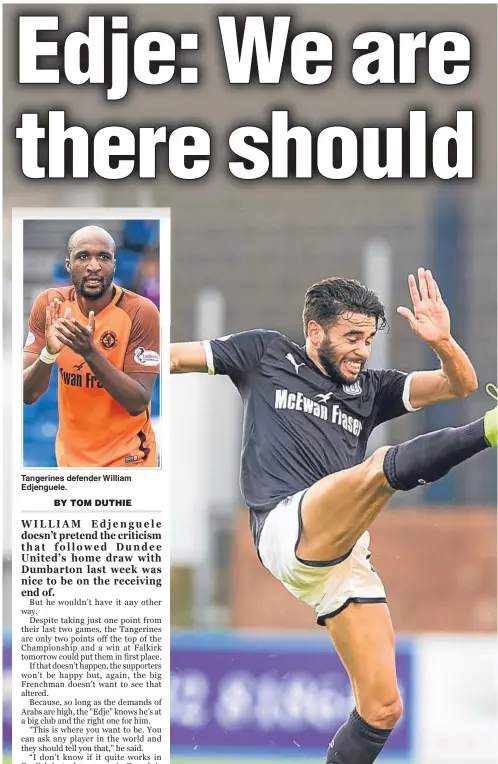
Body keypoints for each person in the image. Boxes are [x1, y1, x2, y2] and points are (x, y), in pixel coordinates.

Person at [170, 268, 497, 764]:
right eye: (351, 337)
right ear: (315, 330)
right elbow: (171, 356)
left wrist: (445, 342)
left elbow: (461, 383)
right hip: (284, 527)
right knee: (376, 472)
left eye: (367, 339)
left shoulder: (371, 390)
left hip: (342, 556)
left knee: (382, 708)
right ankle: (490, 430)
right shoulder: (265, 354)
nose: (362, 351)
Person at [24, 225, 160, 468]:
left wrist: (89, 352)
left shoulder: (141, 311)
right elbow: (27, 394)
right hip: (71, 464)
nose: (94, 266)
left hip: (129, 461)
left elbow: (137, 402)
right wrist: (49, 354)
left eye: (103, 257)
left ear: (114, 265)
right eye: (83, 256)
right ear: (68, 265)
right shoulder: (50, 304)